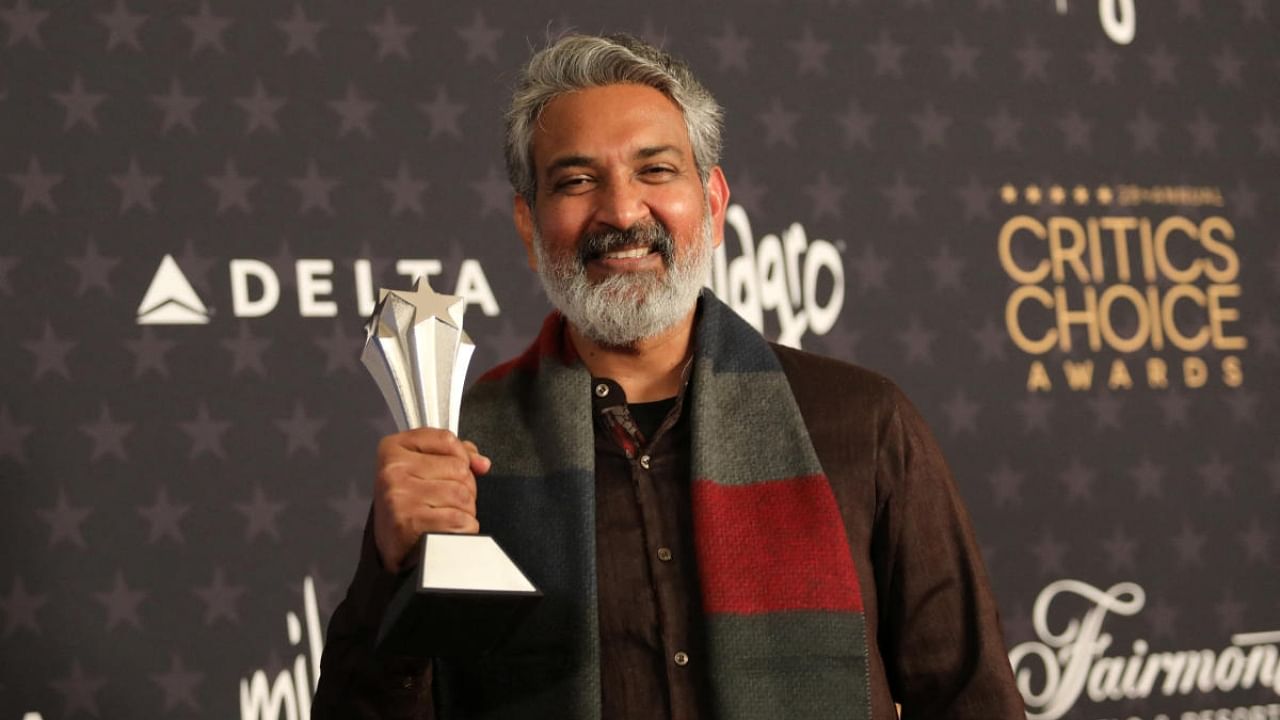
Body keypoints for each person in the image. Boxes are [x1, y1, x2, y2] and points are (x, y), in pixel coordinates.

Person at [315, 33, 1024, 720]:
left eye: (655, 170)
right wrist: (391, 571)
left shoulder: (862, 424)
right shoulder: (456, 449)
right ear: (529, 227)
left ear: (712, 205)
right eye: (576, 180)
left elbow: (970, 700)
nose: (622, 212)